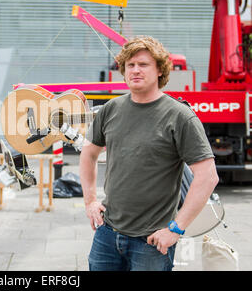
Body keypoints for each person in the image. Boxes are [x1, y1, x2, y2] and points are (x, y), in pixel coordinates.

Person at [79, 35, 219, 271]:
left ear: (160, 71)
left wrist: (176, 229)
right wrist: (90, 200)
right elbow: (88, 153)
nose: (135, 70)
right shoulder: (111, 108)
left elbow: (207, 176)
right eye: (130, 65)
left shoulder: (179, 116)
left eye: (143, 65)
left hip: (152, 242)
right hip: (107, 234)